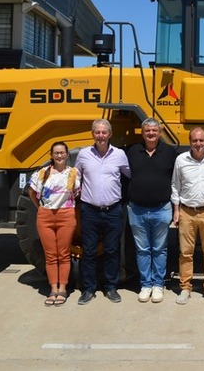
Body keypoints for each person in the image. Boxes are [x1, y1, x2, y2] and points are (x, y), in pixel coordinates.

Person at [75, 119, 131, 305]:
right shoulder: (83, 155)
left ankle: (111, 287)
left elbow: (130, 175)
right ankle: (88, 289)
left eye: (104, 132)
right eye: (97, 132)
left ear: (110, 134)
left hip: (113, 209)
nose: (100, 136)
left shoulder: (120, 155)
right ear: (93, 134)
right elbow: (75, 178)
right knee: (89, 252)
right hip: (89, 210)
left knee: (112, 250)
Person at [171, 127, 204, 305]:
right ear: (190, 141)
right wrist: (176, 210)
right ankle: (185, 288)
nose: (198, 144)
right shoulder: (181, 160)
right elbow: (175, 186)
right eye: (195, 140)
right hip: (187, 211)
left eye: (201, 140)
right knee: (185, 252)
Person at [126, 118, 177, 303]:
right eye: (147, 130)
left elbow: (176, 181)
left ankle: (158, 284)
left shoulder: (170, 152)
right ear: (142, 132)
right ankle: (145, 284)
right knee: (142, 249)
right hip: (137, 209)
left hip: (161, 208)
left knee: (159, 249)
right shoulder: (132, 151)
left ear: (160, 132)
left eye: (154, 130)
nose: (151, 133)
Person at [28, 141, 80, 306]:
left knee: (63, 254)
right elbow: (31, 192)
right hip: (46, 215)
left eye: (62, 152)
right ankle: (53, 289)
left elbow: (76, 194)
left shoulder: (73, 173)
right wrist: (42, 209)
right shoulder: (42, 173)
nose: (59, 155)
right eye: (56, 153)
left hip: (66, 215)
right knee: (50, 255)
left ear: (66, 155)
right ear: (51, 155)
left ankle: (62, 289)